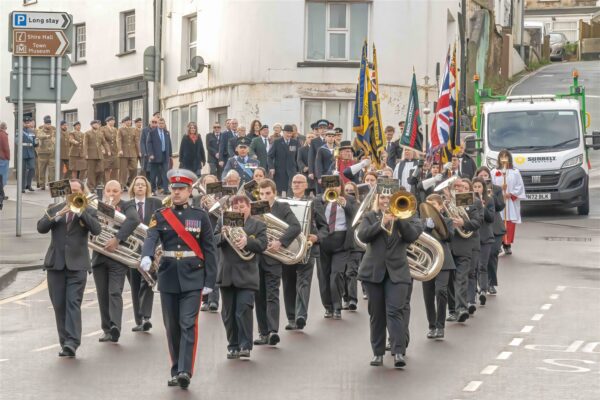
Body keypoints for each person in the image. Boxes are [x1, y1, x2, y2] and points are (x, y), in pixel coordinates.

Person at [141, 169, 217, 389]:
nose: (176, 193)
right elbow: (151, 237)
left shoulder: (200, 216)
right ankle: (175, 370)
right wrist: (146, 255)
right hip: (168, 277)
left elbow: (209, 250)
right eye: (174, 189)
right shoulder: (161, 214)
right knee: (171, 326)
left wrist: (210, 281)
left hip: (193, 277)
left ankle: (185, 370)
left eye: (181, 189)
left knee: (187, 324)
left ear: (189, 191)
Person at [357, 183, 423, 368]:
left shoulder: (409, 216)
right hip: (373, 272)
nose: (386, 201)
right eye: (383, 198)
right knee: (376, 314)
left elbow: (411, 236)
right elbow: (363, 236)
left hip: (398, 272)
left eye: (390, 197)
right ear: (378, 199)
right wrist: (382, 223)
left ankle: (398, 352)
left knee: (395, 311)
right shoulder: (370, 217)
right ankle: (377, 353)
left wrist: (399, 217)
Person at [37, 180, 101, 357]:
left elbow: (96, 230)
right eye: (70, 191)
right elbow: (41, 228)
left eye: (76, 191)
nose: (72, 194)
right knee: (59, 305)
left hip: (77, 265)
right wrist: (57, 215)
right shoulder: (54, 207)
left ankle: (72, 342)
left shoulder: (89, 210)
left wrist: (80, 212)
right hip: (55, 264)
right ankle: (64, 342)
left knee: (73, 303)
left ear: (82, 192)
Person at [215, 194, 268, 359]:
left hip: (247, 275)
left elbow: (263, 245)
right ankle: (233, 346)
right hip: (227, 274)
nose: (239, 210)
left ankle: (245, 345)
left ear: (249, 208)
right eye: (235, 207)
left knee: (243, 310)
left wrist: (247, 242)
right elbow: (213, 240)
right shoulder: (224, 221)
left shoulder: (258, 224)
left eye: (242, 207)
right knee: (228, 314)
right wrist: (223, 235)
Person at [254, 179, 301, 346]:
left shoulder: (282, 207)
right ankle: (263, 332)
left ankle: (273, 331)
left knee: (272, 294)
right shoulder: (256, 207)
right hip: (257, 257)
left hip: (274, 257)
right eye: (262, 193)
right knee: (258, 296)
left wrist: (280, 242)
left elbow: (296, 227)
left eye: (268, 193)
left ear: (274, 192)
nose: (265, 196)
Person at [92, 180, 140, 343]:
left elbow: (134, 220)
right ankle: (106, 329)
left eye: (115, 191)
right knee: (102, 294)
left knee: (114, 292)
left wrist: (117, 239)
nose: (112, 194)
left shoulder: (127, 206)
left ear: (121, 192)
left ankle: (115, 327)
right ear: (104, 192)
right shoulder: (98, 206)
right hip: (99, 255)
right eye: (109, 191)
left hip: (118, 256)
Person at [282, 174, 326, 330]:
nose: (296, 184)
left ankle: (301, 316)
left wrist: (317, 237)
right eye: (294, 182)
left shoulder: (314, 202)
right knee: (288, 284)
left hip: (308, 248)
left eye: (300, 182)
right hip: (287, 249)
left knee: (303, 282)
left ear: (306, 185)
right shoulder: (284, 203)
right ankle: (291, 318)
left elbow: (324, 228)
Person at [313, 175, 358, 319]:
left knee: (337, 275)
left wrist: (345, 205)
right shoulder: (319, 199)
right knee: (323, 276)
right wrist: (322, 200)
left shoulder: (349, 199)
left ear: (341, 187)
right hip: (324, 241)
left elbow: (355, 217)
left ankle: (337, 306)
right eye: (330, 185)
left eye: (337, 185)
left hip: (341, 241)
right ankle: (328, 307)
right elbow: (313, 217)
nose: (333, 188)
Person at [127, 176, 162, 332]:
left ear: (147, 188)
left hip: (151, 249)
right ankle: (139, 319)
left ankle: (146, 317)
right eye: (137, 185)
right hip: (131, 250)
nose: (140, 187)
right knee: (135, 285)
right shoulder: (126, 205)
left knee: (147, 282)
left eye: (143, 185)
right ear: (133, 188)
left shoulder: (156, 203)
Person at [446, 178, 483, 323]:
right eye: (455, 187)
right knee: (449, 281)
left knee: (461, 278)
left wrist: (463, 223)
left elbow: (477, 222)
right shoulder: (446, 202)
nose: (458, 189)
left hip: (465, 245)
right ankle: (453, 310)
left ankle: (461, 308)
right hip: (449, 245)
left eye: (461, 187)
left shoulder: (472, 201)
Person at [421, 194, 455, 340]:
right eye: (428, 205)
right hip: (427, 261)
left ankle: (440, 326)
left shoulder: (447, 220)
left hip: (443, 260)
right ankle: (432, 325)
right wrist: (426, 228)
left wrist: (436, 225)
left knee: (441, 291)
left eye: (434, 205)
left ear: (440, 206)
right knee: (428, 296)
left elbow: (449, 237)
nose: (431, 208)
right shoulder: (421, 222)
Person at [476, 166, 505, 295]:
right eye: (481, 175)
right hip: (481, 228)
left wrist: (491, 196)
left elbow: (500, 206)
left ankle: (491, 282)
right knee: (480, 259)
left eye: (486, 175)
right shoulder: (474, 191)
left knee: (492, 254)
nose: (484, 177)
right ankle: (482, 283)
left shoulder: (496, 189)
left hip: (495, 226)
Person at [491, 149, 525, 255]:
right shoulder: (494, 172)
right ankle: (499, 244)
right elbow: (491, 186)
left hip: (509, 201)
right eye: (502, 157)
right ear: (499, 159)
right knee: (499, 222)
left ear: (509, 158)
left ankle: (507, 244)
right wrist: (500, 190)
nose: (504, 159)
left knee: (509, 223)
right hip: (499, 200)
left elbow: (519, 185)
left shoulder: (515, 172)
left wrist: (510, 194)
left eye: (506, 156)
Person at [470, 177, 495, 308]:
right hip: (473, 238)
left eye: (479, 187)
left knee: (482, 266)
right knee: (473, 268)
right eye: (475, 187)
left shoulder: (489, 200)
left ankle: (483, 291)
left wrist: (484, 207)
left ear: (483, 188)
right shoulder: (470, 201)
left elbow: (491, 218)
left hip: (485, 237)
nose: (477, 189)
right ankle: (473, 293)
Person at [268, 124, 299, 196]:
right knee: (280, 192)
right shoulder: (277, 142)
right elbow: (269, 156)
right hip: (280, 171)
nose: (289, 135)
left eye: (290, 133)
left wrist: (297, 169)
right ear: (283, 133)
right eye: (287, 133)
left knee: (291, 191)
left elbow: (298, 157)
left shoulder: (295, 142)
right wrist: (271, 168)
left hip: (291, 171)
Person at [147, 118, 173, 195]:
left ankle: (165, 189)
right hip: (155, 156)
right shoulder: (152, 132)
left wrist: (170, 155)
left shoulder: (166, 133)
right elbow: (149, 144)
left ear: (164, 124)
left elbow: (169, 144)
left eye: (162, 123)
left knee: (165, 173)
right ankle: (153, 190)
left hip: (165, 155)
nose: (161, 125)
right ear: (157, 124)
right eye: (160, 123)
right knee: (153, 175)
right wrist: (150, 154)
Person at [83, 120, 111, 191]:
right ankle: (91, 187)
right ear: (92, 125)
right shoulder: (87, 133)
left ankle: (96, 184)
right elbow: (85, 144)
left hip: (99, 155)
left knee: (101, 170)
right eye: (95, 124)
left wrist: (108, 150)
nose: (97, 125)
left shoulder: (100, 133)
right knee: (91, 171)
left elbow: (104, 143)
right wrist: (85, 154)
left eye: (98, 124)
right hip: (90, 155)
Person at [116, 116, 140, 190]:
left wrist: (139, 151)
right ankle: (121, 185)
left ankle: (129, 182)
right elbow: (118, 140)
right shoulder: (120, 130)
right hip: (123, 152)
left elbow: (136, 141)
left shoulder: (134, 130)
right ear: (124, 122)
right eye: (127, 121)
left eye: (130, 121)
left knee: (134, 168)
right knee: (123, 170)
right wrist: (120, 149)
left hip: (133, 152)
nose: (129, 122)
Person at [36, 115, 55, 190]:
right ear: (44, 124)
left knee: (52, 170)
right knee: (42, 169)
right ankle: (42, 184)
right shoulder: (40, 129)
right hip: (42, 153)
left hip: (51, 153)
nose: (48, 125)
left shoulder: (54, 129)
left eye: (49, 124)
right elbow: (39, 136)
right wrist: (47, 136)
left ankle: (51, 184)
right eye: (47, 124)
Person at [308, 120, 328, 192]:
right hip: (318, 171)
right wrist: (311, 171)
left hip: (329, 169)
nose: (323, 130)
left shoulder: (331, 140)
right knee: (319, 192)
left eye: (324, 128)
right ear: (318, 130)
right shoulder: (314, 141)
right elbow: (311, 157)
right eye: (320, 128)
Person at [19, 117, 37, 193]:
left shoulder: (32, 132)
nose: (27, 123)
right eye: (25, 122)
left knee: (32, 168)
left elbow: (34, 142)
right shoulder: (19, 131)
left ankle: (28, 185)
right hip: (23, 152)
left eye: (28, 122)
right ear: (23, 123)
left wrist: (36, 143)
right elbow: (17, 141)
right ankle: (22, 187)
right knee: (23, 170)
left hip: (31, 152)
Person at [101, 116, 119, 183]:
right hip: (106, 151)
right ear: (107, 122)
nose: (113, 122)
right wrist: (103, 149)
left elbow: (117, 140)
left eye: (113, 121)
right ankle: (107, 183)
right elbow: (101, 141)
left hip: (115, 151)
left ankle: (114, 183)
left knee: (115, 167)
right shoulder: (103, 129)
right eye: (111, 121)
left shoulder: (115, 129)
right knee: (107, 168)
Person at [0, 122, 9, 194]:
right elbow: (6, 147)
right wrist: (8, 157)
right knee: (3, 177)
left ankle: (2, 193)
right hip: (3, 158)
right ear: (5, 127)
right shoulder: (3, 135)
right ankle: (1, 193)